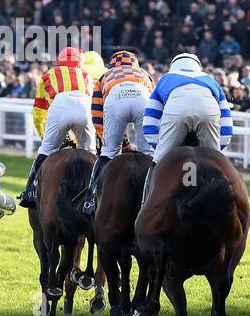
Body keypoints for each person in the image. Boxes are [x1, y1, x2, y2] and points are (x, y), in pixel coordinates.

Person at [142, 52, 233, 201]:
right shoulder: (210, 80)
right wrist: (217, 152)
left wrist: (158, 148)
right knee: (216, 164)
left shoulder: (165, 79)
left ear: (173, 66)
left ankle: (146, 202)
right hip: (208, 110)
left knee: (157, 162)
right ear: (198, 67)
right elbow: (227, 125)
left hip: (176, 110)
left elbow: (150, 119)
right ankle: (225, 202)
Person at [19, 46, 95, 208]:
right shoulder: (88, 76)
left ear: (59, 61)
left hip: (60, 104)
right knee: (91, 154)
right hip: (85, 105)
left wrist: (45, 137)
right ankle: (94, 194)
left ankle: (30, 190)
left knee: (46, 150)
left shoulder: (48, 75)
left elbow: (39, 113)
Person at [83, 49, 153, 214]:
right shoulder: (144, 74)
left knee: (108, 153)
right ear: (134, 64)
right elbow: (156, 109)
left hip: (115, 98)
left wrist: (109, 141)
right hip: (143, 99)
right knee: (149, 153)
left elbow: (97, 114)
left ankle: (90, 199)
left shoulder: (104, 76)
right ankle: (154, 196)